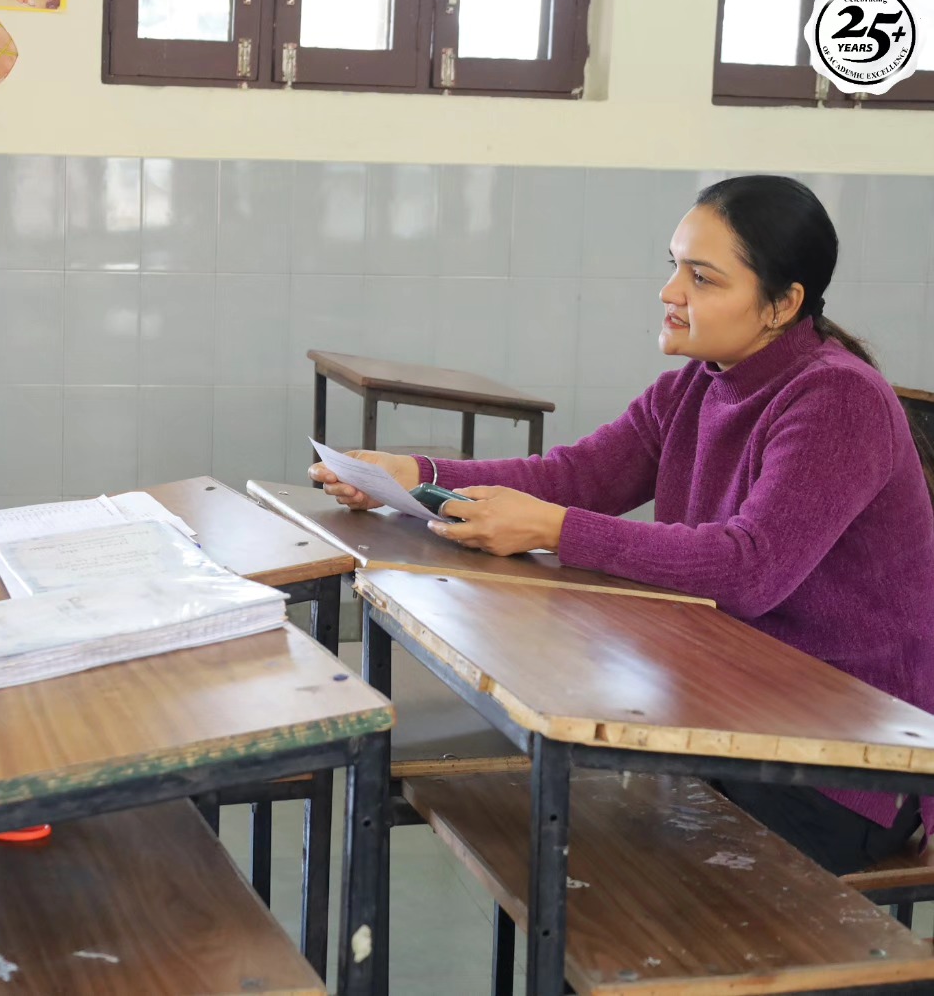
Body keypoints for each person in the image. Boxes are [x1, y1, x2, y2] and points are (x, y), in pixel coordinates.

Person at [312, 174, 934, 874]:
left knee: (590, 872)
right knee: (555, 847)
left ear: (781, 304)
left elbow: (749, 568)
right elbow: (575, 476)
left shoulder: (836, 397)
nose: (670, 293)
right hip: (731, 715)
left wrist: (555, 529)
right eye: (672, 266)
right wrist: (415, 478)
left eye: (701, 278)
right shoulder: (698, 382)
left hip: (844, 764)